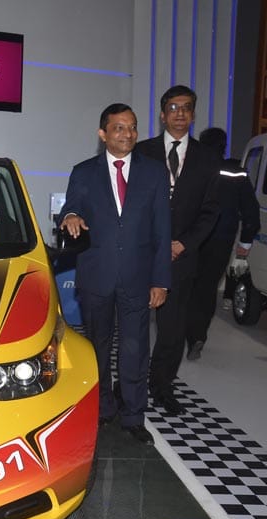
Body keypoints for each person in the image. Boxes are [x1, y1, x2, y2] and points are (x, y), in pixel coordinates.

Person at [59, 103, 172, 445]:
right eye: (120, 128)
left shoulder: (154, 172)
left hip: (139, 277)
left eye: (133, 127)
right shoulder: (84, 172)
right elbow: (71, 206)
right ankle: (101, 410)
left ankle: (134, 417)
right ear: (103, 133)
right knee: (96, 348)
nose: (128, 134)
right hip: (97, 275)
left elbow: (162, 230)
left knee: (135, 349)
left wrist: (160, 279)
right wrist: (71, 216)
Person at [136, 85, 220, 416]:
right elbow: (131, 205)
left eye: (186, 108)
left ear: (193, 114)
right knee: (135, 327)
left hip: (182, 257)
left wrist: (182, 243)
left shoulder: (208, 158)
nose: (180, 113)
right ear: (162, 113)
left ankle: (162, 385)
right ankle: (130, 383)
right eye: (173, 107)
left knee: (172, 330)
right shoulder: (141, 152)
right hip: (142, 255)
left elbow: (211, 210)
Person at [185, 127, 261, 360]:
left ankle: (184, 333)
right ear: (224, 146)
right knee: (207, 289)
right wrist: (245, 244)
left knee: (187, 287)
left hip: (192, 239)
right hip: (221, 240)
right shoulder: (237, 173)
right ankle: (198, 336)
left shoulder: (193, 169)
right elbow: (251, 212)